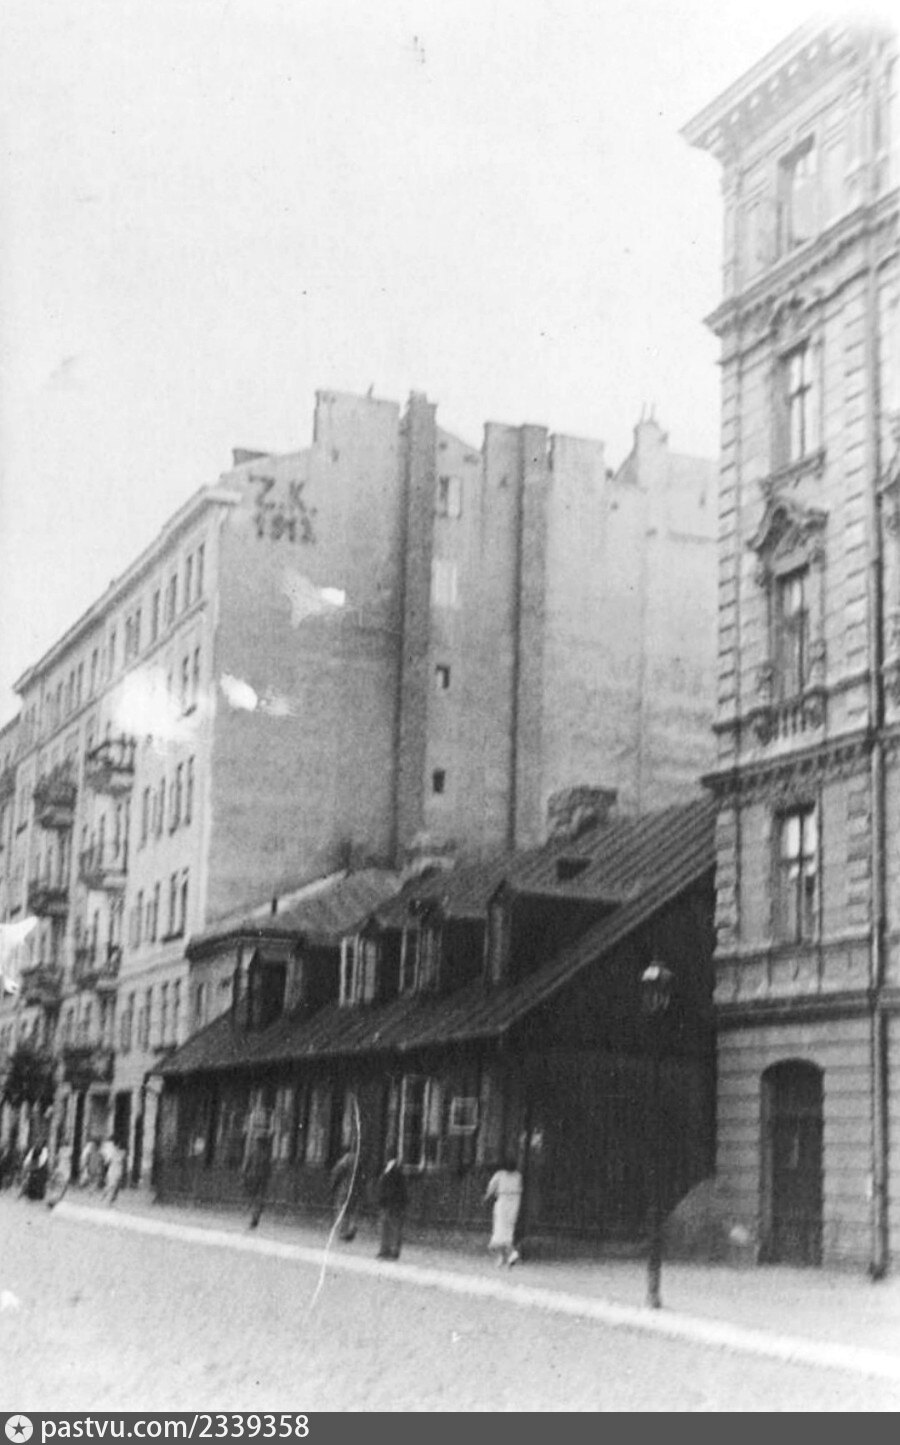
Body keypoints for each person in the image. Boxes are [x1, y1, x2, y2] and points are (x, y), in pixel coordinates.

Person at [484, 1157, 523, 1266]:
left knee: (499, 1227)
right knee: (508, 1228)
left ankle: (510, 1254)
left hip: (503, 1201)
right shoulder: (518, 1176)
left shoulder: (500, 1175)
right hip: (514, 1202)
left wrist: (486, 1197)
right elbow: (520, 1188)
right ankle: (504, 1257)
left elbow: (491, 1187)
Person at [376, 1158, 407, 1260]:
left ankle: (389, 1250)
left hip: (391, 1203)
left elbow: (384, 1187)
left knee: (390, 1227)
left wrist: (382, 1200)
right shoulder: (394, 1171)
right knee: (390, 1227)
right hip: (392, 1203)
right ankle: (389, 1250)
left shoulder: (391, 1171)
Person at [329, 1147, 363, 1241]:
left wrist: (333, 1187)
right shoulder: (358, 1161)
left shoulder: (344, 1161)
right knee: (352, 1210)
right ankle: (352, 1227)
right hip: (355, 1190)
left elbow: (336, 1174)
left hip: (343, 1189)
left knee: (341, 1211)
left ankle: (342, 1232)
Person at [242, 1132, 271, 1229]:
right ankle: (255, 1216)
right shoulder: (264, 1154)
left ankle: (254, 1217)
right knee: (257, 1199)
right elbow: (267, 1168)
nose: (258, 1144)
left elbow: (247, 1165)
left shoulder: (255, 1153)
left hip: (256, 1179)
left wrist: (245, 1175)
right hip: (257, 1179)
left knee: (256, 1199)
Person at [46, 1144, 73, 1208]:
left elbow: (57, 1161)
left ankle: (53, 1201)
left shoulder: (63, 1151)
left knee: (58, 1188)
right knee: (59, 1188)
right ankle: (53, 1201)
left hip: (61, 1172)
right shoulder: (65, 1152)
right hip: (62, 1172)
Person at [101, 1139, 124, 1205]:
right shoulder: (116, 1153)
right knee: (111, 1185)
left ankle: (108, 1199)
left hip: (115, 1171)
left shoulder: (119, 1153)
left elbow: (107, 1162)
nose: (117, 1147)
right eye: (117, 1145)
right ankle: (105, 1197)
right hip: (113, 1171)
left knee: (113, 1186)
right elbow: (107, 1162)